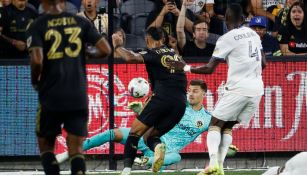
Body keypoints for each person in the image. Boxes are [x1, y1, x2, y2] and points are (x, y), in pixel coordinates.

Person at [167, 3, 266, 175]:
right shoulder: (254, 34)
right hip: (257, 90)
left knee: (214, 123)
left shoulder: (226, 38)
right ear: (243, 19)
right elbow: (263, 63)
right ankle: (220, 168)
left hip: (238, 89)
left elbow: (210, 68)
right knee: (227, 125)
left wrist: (185, 67)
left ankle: (213, 163)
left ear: (226, 19)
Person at [56, 80, 235, 171]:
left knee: (177, 157)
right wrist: (140, 110)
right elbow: (151, 119)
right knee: (112, 133)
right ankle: (68, 153)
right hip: (148, 139)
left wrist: (226, 147)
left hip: (165, 152)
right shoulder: (178, 104)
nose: (191, 94)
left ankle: (144, 161)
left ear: (204, 93)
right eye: (189, 90)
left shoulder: (206, 119)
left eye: (195, 91)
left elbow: (217, 134)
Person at [26, 0, 111, 174]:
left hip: (51, 94)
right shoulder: (80, 22)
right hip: (77, 94)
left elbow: (36, 60)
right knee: (76, 150)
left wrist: (35, 80)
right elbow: (105, 49)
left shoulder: (38, 24)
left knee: (46, 145)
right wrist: (86, 53)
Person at [112, 27, 187, 175]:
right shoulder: (175, 55)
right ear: (163, 39)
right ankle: (158, 147)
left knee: (134, 133)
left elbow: (130, 58)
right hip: (180, 104)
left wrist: (117, 46)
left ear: (147, 39)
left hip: (163, 97)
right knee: (150, 137)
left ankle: (126, 171)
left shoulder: (153, 53)